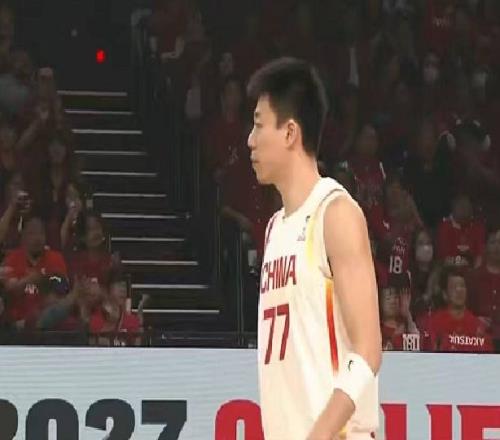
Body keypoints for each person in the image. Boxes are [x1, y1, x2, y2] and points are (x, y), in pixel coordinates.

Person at [247, 57, 380, 440]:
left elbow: (368, 351)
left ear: (290, 132)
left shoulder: (335, 213)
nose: (250, 140)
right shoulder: (275, 228)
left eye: (258, 125)